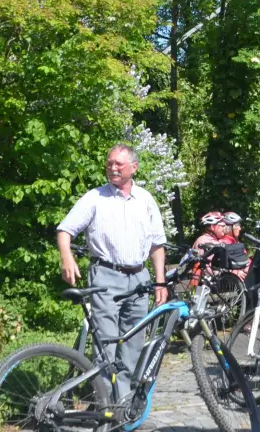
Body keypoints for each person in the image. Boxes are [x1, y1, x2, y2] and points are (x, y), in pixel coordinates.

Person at [57, 144, 168, 402]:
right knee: (105, 344)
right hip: (106, 277)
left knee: (133, 345)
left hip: (140, 279)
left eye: (118, 164)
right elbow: (65, 230)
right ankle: (104, 404)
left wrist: (160, 281)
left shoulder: (146, 199)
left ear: (134, 167)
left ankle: (124, 404)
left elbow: (157, 244)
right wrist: (67, 256)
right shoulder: (95, 198)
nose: (113, 168)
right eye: (109, 164)